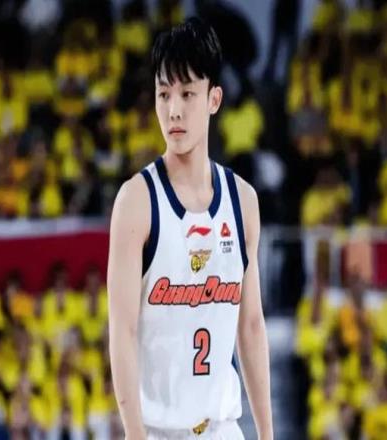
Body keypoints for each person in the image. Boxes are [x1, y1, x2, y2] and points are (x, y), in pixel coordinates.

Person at [107, 17, 273, 440]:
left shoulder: (243, 201)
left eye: (187, 93)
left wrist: (267, 435)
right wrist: (134, 435)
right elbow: (122, 332)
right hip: (158, 430)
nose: (174, 110)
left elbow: (251, 327)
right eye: (164, 94)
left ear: (214, 99)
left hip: (223, 428)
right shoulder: (136, 201)